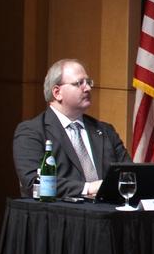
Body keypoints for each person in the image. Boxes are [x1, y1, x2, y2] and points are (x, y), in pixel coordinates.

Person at [12, 59, 129, 198]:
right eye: (79, 83)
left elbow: (129, 175)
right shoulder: (32, 132)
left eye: (88, 82)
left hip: (106, 215)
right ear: (57, 93)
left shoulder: (105, 131)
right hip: (60, 216)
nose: (88, 88)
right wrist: (88, 188)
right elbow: (34, 182)